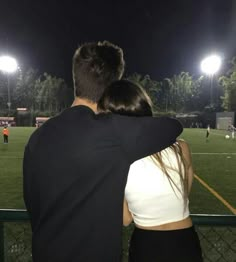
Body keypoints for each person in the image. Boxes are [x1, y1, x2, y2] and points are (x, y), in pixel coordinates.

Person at [23, 41, 183, 262]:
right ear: (112, 85)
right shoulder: (112, 133)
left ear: (75, 77)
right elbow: (172, 127)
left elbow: (33, 205)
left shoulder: (37, 138)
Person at [98, 80, 203, 262]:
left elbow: (125, 219)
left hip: (147, 245)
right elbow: (183, 196)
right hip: (185, 242)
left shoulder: (116, 160)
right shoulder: (182, 147)